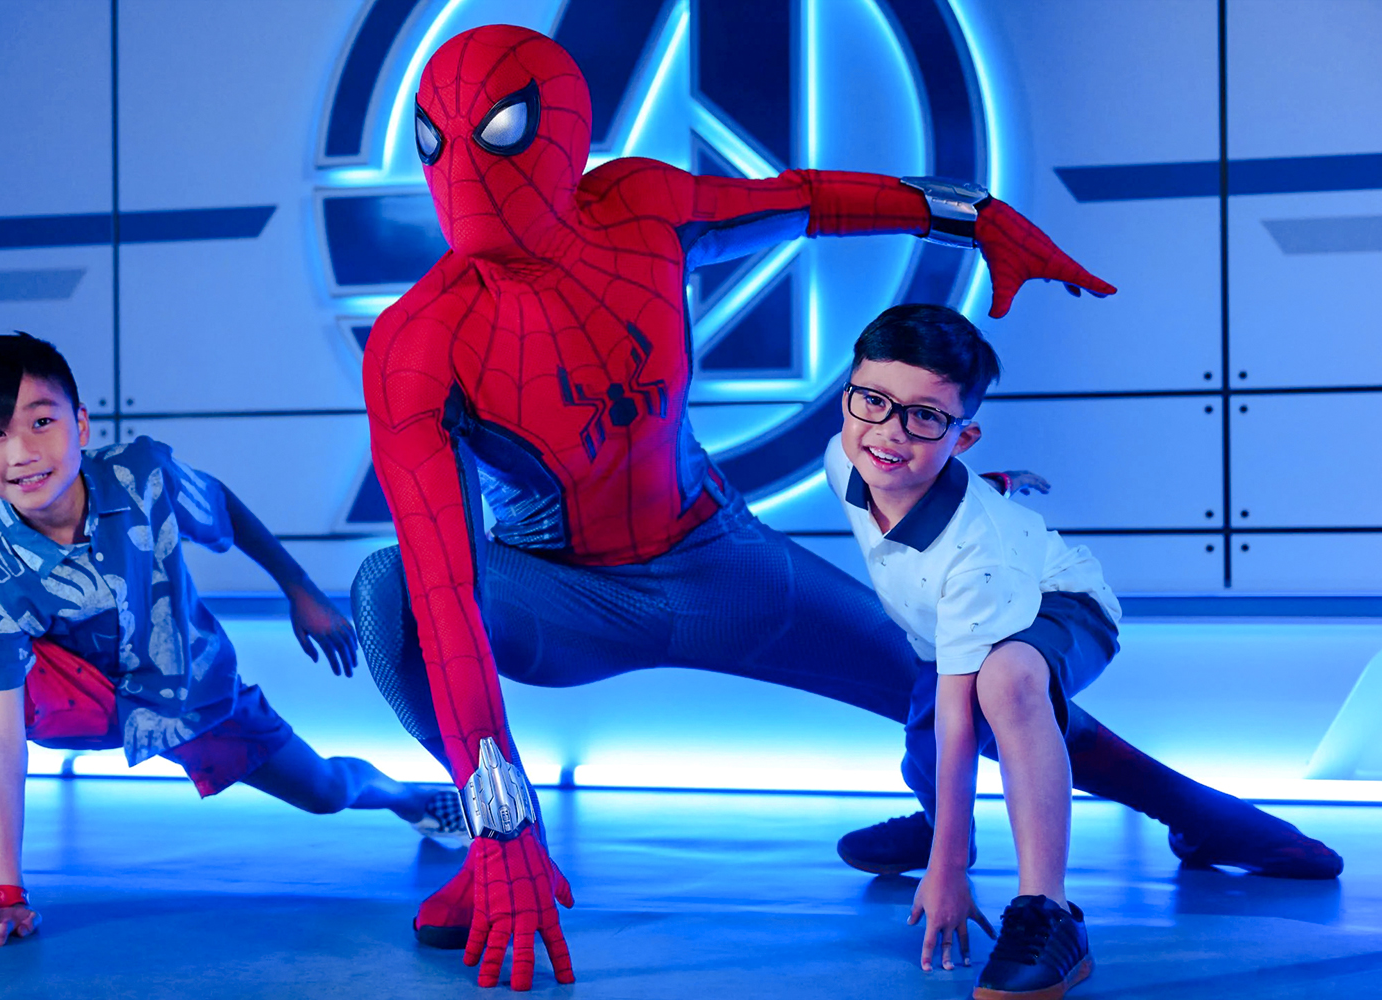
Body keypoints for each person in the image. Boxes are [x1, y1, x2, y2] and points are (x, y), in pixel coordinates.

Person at [350, 24, 1339, 993]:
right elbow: (442, 587)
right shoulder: (418, 339)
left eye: (503, 130)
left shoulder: (639, 209)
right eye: (437, 141)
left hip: (718, 559)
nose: (468, 173)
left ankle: (1182, 808)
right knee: (385, 589)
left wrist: (973, 213)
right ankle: (490, 858)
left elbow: (807, 201)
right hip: (561, 596)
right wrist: (501, 826)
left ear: (562, 131)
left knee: (955, 670)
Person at [0, 332, 465, 948]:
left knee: (325, 790)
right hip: (79, 702)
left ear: (81, 423)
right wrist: (7, 894)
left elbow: (225, 511)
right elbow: (3, 735)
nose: (21, 451)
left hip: (192, 694)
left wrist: (300, 588)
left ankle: (411, 796)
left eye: (41, 421)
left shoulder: (141, 473)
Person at [825, 304, 1115, 997]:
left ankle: (1050, 915)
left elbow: (962, 719)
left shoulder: (978, 551)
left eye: (925, 417)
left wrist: (947, 869)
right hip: (942, 625)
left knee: (1003, 683)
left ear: (963, 436)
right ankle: (936, 827)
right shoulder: (844, 458)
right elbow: (930, 475)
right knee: (922, 749)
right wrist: (1000, 485)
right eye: (873, 402)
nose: (889, 433)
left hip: (1062, 603)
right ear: (850, 395)